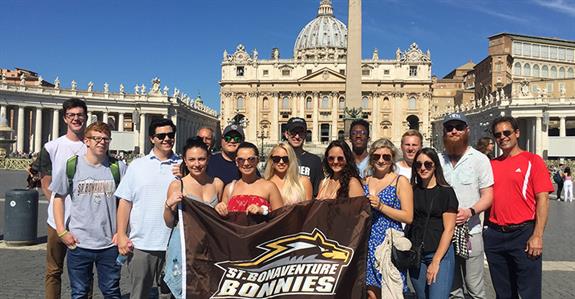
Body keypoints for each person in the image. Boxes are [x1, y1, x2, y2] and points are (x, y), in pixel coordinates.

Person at [50, 122, 127, 298]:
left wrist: (122, 232)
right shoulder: (71, 166)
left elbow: (126, 202)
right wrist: (62, 231)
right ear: (86, 141)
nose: (102, 142)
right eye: (97, 138)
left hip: (109, 244)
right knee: (79, 293)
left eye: (106, 139)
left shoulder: (119, 168)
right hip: (78, 243)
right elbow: (58, 199)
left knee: (112, 291)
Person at [486, 116, 553, 299]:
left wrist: (537, 235)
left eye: (507, 133)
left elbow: (543, 199)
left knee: (529, 293)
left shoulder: (533, 161)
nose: (502, 137)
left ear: (517, 133)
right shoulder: (490, 165)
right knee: (503, 293)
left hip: (523, 234)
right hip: (494, 235)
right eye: (498, 134)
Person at [114, 118, 181, 298]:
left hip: (175, 243)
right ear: (152, 138)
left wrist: (185, 177)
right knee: (140, 294)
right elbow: (125, 202)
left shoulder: (183, 165)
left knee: (177, 293)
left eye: (170, 135)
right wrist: (121, 234)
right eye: (161, 135)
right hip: (142, 243)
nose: (167, 139)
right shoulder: (137, 166)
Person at [37, 98, 89, 299]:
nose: (76, 119)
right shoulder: (52, 147)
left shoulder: (93, 145)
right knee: (53, 270)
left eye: (80, 115)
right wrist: (58, 209)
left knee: (85, 273)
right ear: (65, 118)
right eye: (72, 115)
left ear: (86, 117)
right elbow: (45, 181)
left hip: (85, 221)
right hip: (56, 221)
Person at [439, 113, 493, 299]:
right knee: (452, 289)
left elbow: (488, 196)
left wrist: (470, 211)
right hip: (444, 234)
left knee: (475, 287)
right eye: (450, 128)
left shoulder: (480, 160)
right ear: (444, 132)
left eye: (459, 127)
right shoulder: (437, 161)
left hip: (471, 232)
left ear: (467, 130)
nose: (454, 131)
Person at [163, 137, 224, 297]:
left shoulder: (217, 184)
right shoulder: (177, 185)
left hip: (208, 250)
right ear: (185, 160)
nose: (197, 164)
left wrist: (221, 208)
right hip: (185, 249)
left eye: (201, 159)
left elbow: (220, 221)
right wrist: (169, 205)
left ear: (208, 158)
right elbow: (169, 222)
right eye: (192, 159)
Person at [363, 138, 413, 299]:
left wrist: (381, 207)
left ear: (392, 159)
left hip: (389, 242)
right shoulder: (366, 180)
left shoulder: (400, 181)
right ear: (371, 159)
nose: (381, 160)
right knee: (371, 293)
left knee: (391, 290)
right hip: (368, 241)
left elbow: (408, 216)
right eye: (376, 156)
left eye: (386, 157)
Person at [407, 148, 458, 299]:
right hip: (416, 254)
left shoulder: (446, 192)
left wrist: (436, 261)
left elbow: (449, 230)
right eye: (418, 165)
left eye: (428, 164)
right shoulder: (412, 190)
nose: (423, 168)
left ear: (435, 166)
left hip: (439, 254)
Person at [215, 142, 283, 216]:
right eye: (241, 160)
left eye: (251, 159)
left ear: (257, 160)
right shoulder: (229, 188)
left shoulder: (269, 187)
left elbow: (280, 217)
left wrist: (263, 211)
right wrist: (219, 208)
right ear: (236, 162)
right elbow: (224, 218)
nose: (246, 163)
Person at [283, 117, 322, 196]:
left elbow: (317, 192)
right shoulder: (278, 159)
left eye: (301, 133)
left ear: (305, 135)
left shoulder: (315, 161)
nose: (297, 137)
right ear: (286, 134)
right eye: (293, 132)